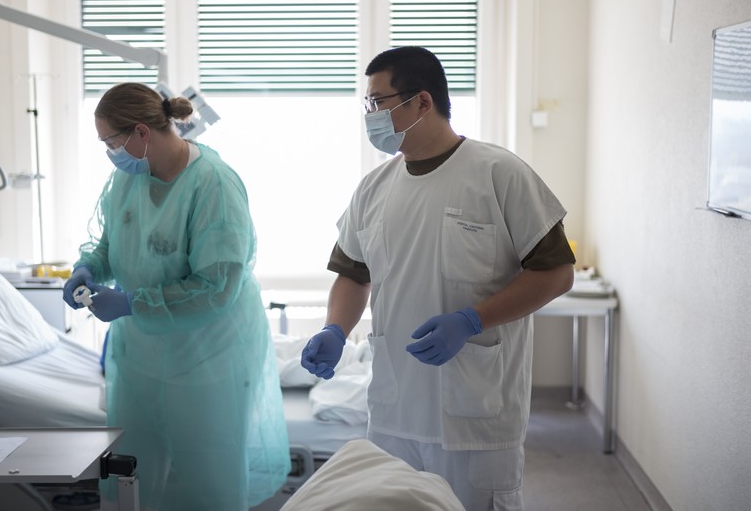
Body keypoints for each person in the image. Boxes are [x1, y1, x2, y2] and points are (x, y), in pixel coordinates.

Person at [300, 46, 575, 510]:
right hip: (393, 410)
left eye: (378, 102)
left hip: (475, 416)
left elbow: (556, 272)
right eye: (367, 105)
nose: (370, 116)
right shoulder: (374, 188)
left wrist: (472, 319)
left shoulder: (497, 173)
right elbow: (352, 273)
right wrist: (335, 328)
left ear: (422, 102)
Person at [62, 82, 290, 511]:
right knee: (133, 477)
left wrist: (133, 303)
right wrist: (88, 267)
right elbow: (109, 242)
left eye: (111, 142)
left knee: (208, 487)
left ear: (141, 134)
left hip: (207, 358)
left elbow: (217, 288)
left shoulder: (213, 186)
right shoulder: (126, 180)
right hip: (140, 357)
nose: (109, 153)